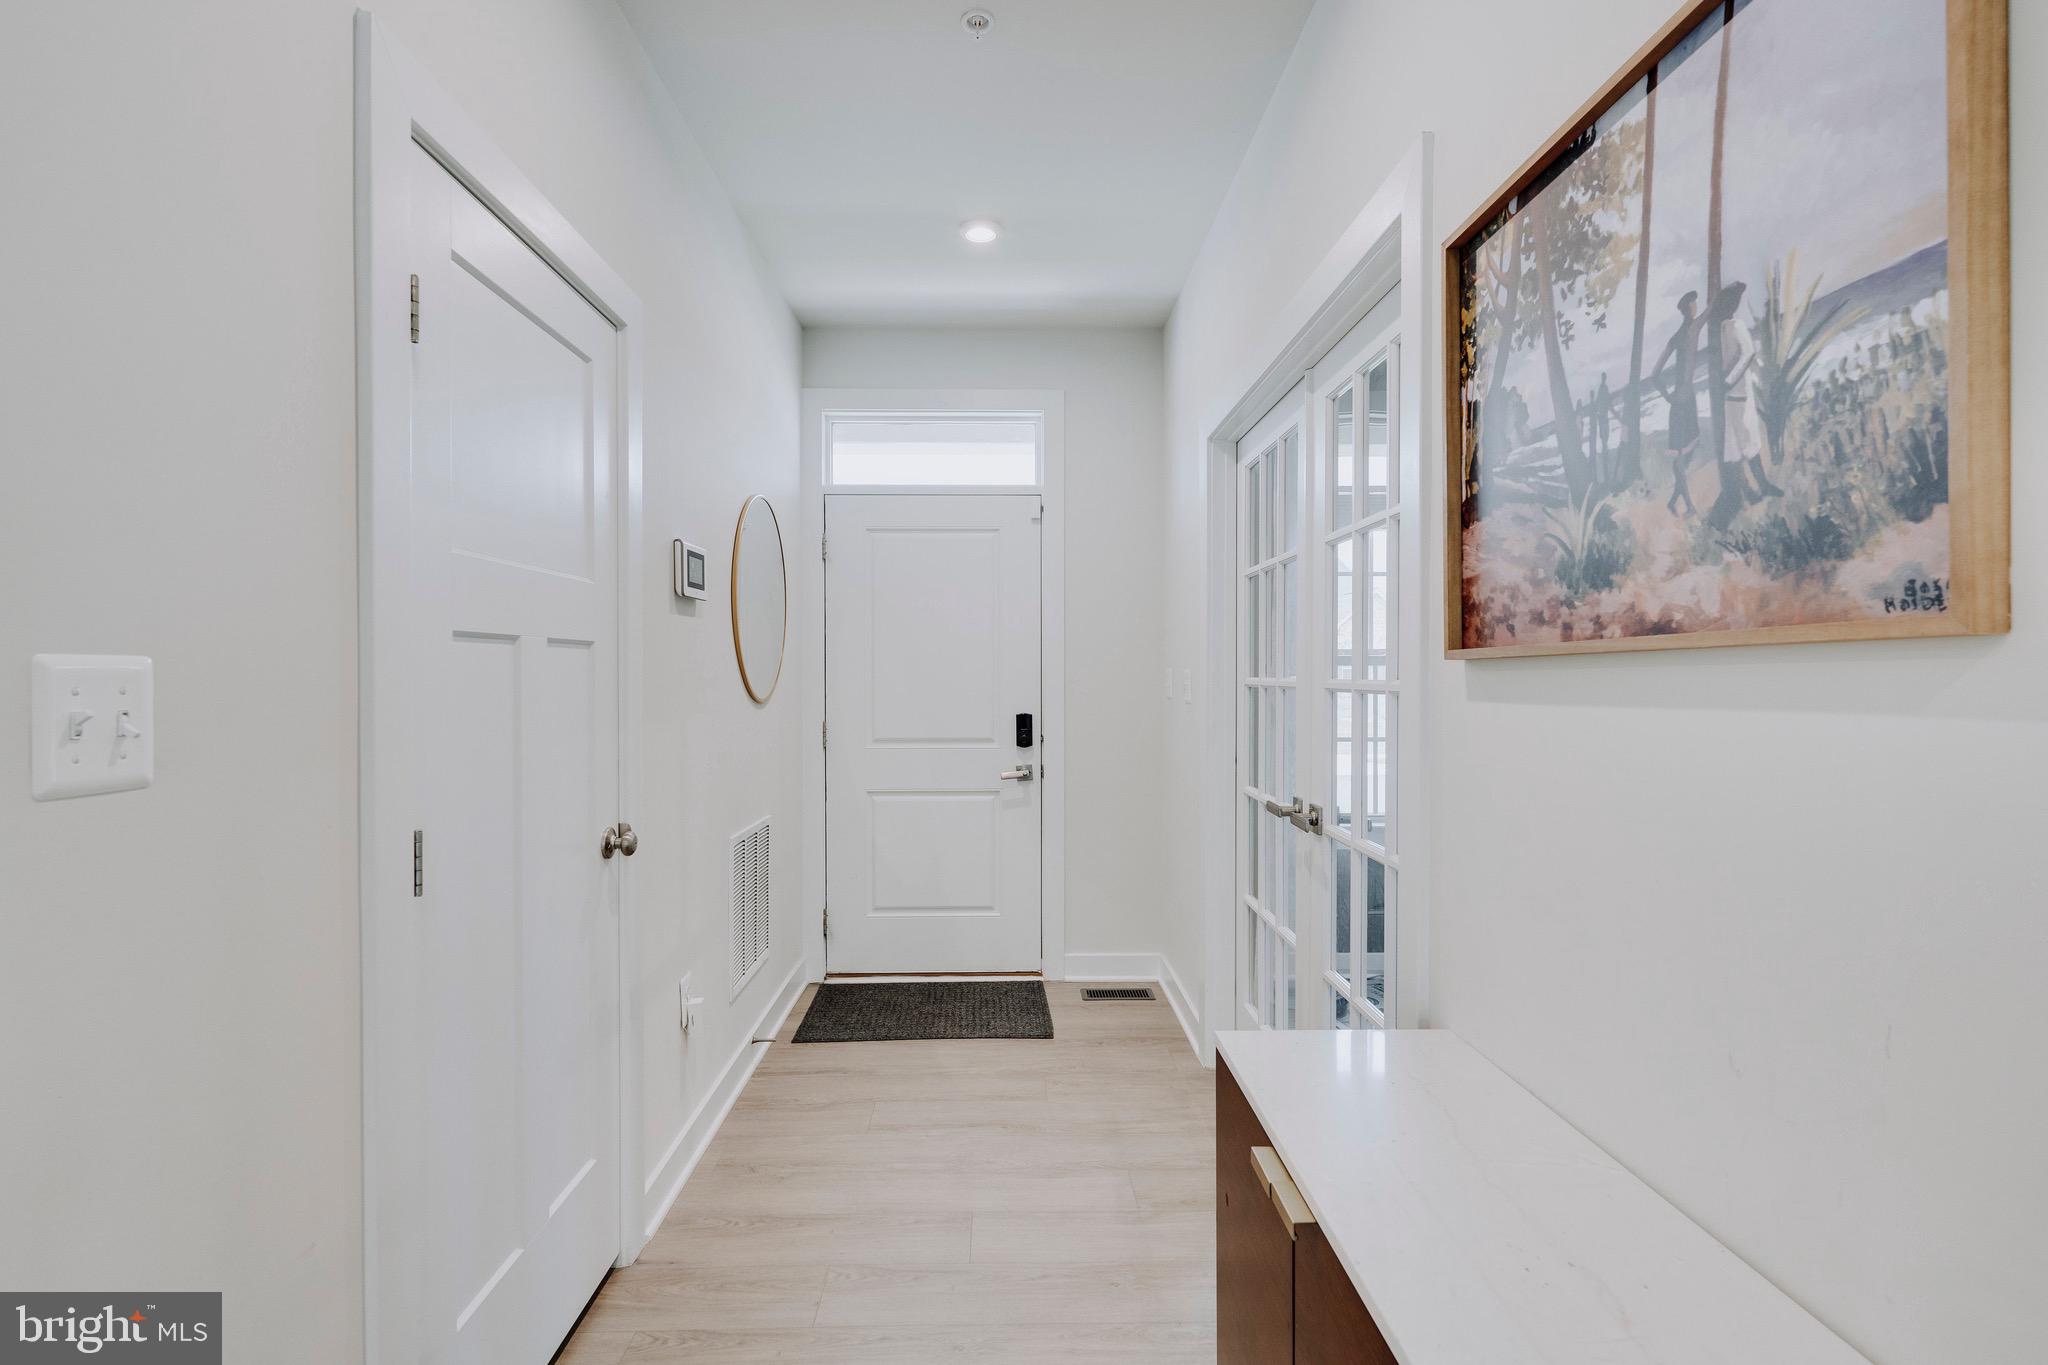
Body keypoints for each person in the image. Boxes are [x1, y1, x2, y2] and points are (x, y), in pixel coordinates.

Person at [1649, 291, 1705, 516]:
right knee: (1682, 457)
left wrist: (1667, 396)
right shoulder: (1693, 328)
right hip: (1685, 402)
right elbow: (1710, 312)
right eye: (1693, 304)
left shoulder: (1676, 337)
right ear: (1688, 308)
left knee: (1685, 453)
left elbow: (1654, 375)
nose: (1695, 307)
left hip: (1681, 401)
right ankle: (1690, 506)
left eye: (1695, 304)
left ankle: (1673, 501)